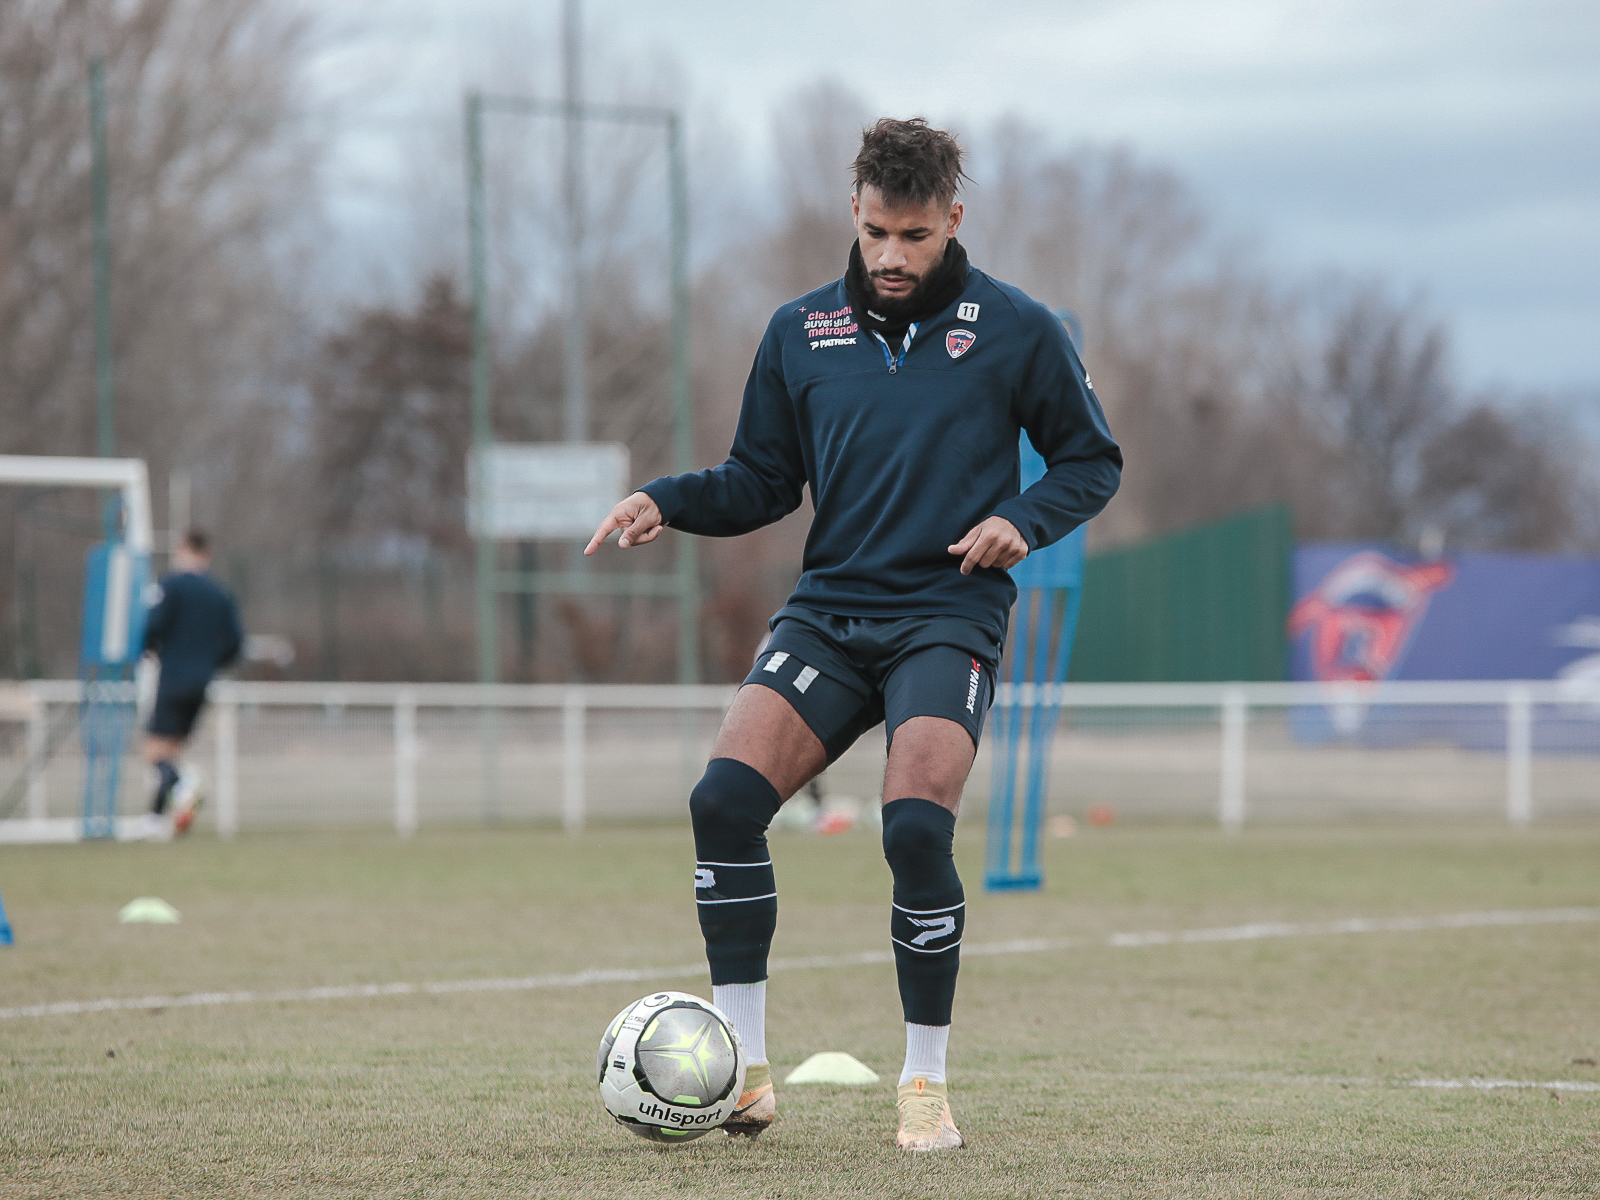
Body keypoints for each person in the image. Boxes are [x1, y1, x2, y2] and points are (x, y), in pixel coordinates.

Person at [585, 118, 1121, 1151]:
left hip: (947, 612)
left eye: (913, 235)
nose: (890, 255)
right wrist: (668, 499)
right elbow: (761, 480)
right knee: (722, 802)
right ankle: (743, 1075)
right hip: (829, 614)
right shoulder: (800, 331)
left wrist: (1023, 520)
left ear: (952, 219)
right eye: (876, 232)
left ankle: (924, 1084)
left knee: (913, 829)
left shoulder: (1016, 328)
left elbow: (1090, 461)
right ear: (855, 212)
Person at [136, 529, 243, 840]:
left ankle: (186, 784)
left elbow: (153, 625)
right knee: (171, 752)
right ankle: (155, 819)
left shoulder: (171, 585)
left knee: (153, 752)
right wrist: (209, 663)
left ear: (184, 550)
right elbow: (235, 642)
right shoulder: (220, 593)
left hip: (173, 677)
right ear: (206, 554)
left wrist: (147, 649)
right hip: (202, 682)